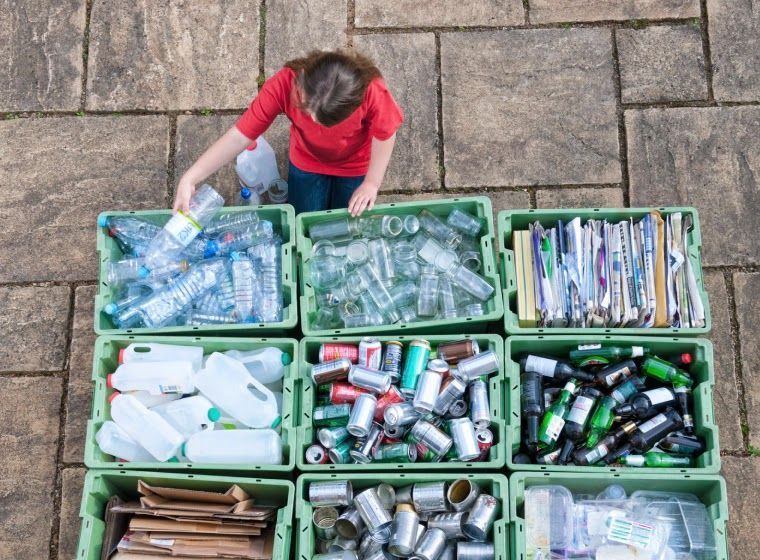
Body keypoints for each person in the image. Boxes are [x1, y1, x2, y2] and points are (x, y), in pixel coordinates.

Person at [174, 49, 404, 217]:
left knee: (345, 216)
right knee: (305, 215)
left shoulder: (372, 91)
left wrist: (372, 183)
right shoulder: (284, 84)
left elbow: (385, 134)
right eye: (308, 110)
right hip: (307, 160)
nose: (314, 122)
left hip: (355, 164)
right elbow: (239, 136)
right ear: (302, 79)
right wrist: (190, 177)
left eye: (325, 122)